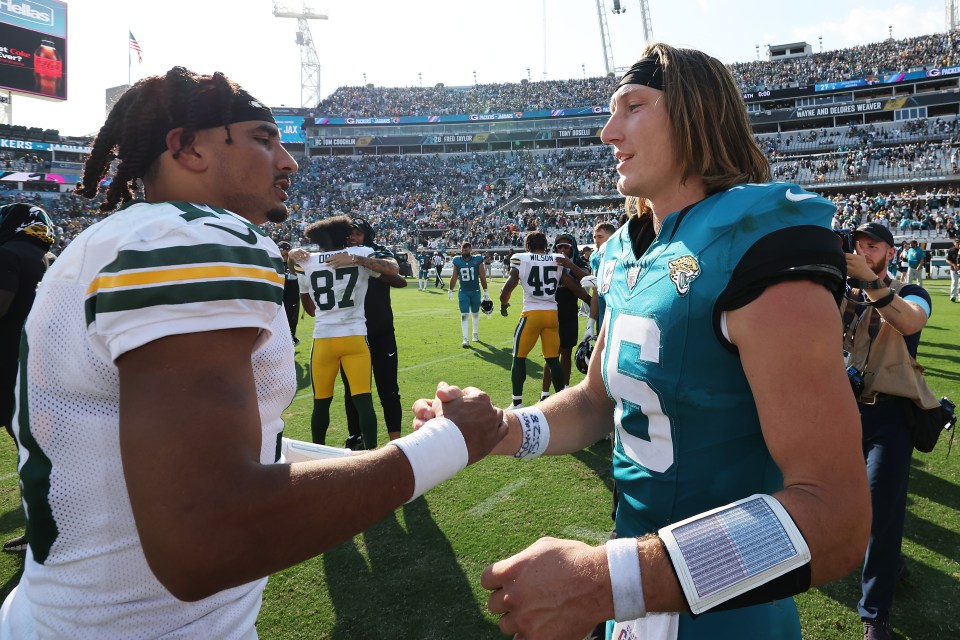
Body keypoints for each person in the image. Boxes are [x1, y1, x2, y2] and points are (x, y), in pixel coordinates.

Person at [0, 67, 506, 639]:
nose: (288, 161)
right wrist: (446, 446)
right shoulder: (196, 236)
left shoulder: (120, 238)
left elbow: (201, 446)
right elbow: (207, 536)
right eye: (264, 139)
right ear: (187, 147)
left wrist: (402, 452)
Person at [418, 43, 870, 640]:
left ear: (696, 114)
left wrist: (607, 581)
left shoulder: (755, 243)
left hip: (724, 616)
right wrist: (502, 428)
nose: (608, 132)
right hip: (633, 601)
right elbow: (595, 402)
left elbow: (836, 518)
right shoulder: (629, 254)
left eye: (633, 106)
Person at [842, 222, 934, 640]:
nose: (863, 252)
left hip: (893, 417)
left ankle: (875, 614)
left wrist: (870, 283)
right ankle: (892, 565)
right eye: (857, 246)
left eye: (873, 247)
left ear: (891, 253)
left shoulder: (913, 293)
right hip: (847, 411)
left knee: (881, 509)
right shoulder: (845, 296)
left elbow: (911, 322)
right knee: (850, 504)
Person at [296, 215, 398, 449]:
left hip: (323, 340)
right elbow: (393, 269)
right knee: (363, 401)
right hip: (354, 336)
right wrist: (355, 259)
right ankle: (372, 454)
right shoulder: (359, 253)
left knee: (320, 403)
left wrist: (293, 256)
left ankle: (317, 454)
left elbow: (309, 309)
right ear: (343, 237)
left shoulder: (305, 260)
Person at [0, 203, 55, 553]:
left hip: (9, 366)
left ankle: (44, 529)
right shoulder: (50, 259)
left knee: (30, 454)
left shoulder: (7, 255)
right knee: (35, 450)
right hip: (40, 366)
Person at [341, 216, 406, 446]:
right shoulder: (337, 253)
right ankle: (357, 438)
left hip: (380, 329)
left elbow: (399, 279)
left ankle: (395, 442)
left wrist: (364, 262)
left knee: (388, 388)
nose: (352, 237)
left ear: (367, 234)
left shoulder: (377, 251)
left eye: (357, 233)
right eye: (349, 233)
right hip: (350, 332)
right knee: (352, 392)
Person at [499, 230, 581, 409]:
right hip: (552, 314)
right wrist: (590, 301)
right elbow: (573, 286)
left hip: (532, 313)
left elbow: (508, 287)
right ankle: (560, 402)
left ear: (528, 245)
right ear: (545, 245)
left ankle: (517, 402)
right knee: (553, 359)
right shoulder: (556, 259)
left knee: (519, 357)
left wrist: (503, 304)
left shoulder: (521, 258)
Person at [540, 233, 590, 400]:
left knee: (566, 352)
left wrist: (570, 265)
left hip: (569, 311)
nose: (562, 249)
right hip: (550, 311)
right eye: (559, 246)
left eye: (566, 246)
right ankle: (544, 394)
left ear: (572, 248)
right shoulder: (547, 261)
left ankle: (565, 390)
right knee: (551, 354)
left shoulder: (578, 261)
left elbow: (587, 278)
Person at [448, 241, 490, 348]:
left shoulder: (477, 259)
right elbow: (454, 276)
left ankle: (475, 333)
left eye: (466, 250)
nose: (464, 252)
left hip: (475, 291)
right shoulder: (457, 260)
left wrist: (486, 292)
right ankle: (465, 338)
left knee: (475, 314)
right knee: (464, 315)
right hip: (463, 292)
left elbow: (482, 276)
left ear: (470, 250)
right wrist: (450, 289)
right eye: (462, 250)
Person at [277, 241, 302, 345]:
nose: (279, 251)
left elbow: (301, 276)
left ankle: (292, 339)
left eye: (281, 249)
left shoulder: (296, 263)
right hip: (281, 295)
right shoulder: (276, 263)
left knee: (291, 318)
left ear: (287, 250)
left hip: (293, 295)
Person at [946, 237, 959, 302]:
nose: (958, 244)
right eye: (957, 243)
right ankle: (953, 296)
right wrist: (953, 265)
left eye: (959, 242)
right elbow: (947, 260)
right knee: (954, 282)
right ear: (954, 243)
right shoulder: (951, 250)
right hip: (954, 269)